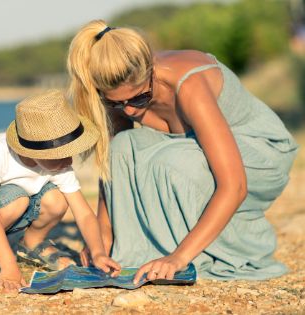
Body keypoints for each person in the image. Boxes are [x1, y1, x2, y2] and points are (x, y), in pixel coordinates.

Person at [66, 20, 299, 283]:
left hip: (260, 152)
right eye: (117, 103)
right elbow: (114, 167)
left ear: (151, 72)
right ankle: (146, 249)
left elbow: (234, 186)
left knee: (173, 162)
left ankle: (193, 251)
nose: (129, 110)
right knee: (120, 147)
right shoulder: (118, 91)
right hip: (191, 148)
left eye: (139, 99)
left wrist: (178, 258)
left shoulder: (190, 86)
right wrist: (103, 237)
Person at [0, 89, 121, 292]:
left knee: (58, 200)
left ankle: (32, 241)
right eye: (60, 154)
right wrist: (9, 267)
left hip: (20, 206)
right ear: (34, 150)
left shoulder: (59, 164)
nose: (69, 160)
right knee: (16, 198)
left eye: (70, 152)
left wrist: (98, 252)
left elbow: (83, 214)